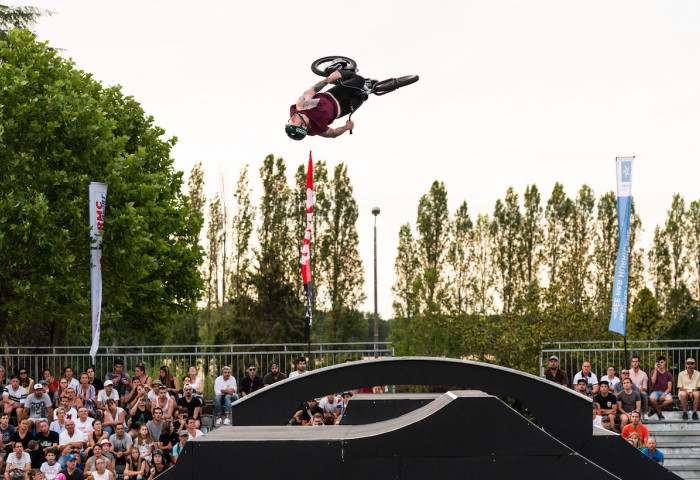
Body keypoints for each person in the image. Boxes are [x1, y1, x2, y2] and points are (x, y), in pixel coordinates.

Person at [285, 66, 368, 140]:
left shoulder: (301, 104)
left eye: (289, 121)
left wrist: (330, 78)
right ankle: (358, 83)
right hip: (342, 109)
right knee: (363, 96)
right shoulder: (316, 129)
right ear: (303, 126)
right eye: (294, 122)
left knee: (359, 81)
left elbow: (314, 89)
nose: (292, 118)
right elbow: (333, 133)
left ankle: (333, 69)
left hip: (334, 95)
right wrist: (347, 127)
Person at [648, 355, 674, 420]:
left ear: (665, 362)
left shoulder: (668, 374)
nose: (660, 364)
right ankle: (659, 413)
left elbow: (669, 388)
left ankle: (656, 409)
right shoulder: (654, 372)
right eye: (659, 362)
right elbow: (653, 381)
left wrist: (664, 394)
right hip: (655, 392)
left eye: (662, 362)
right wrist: (655, 370)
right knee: (651, 398)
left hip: (665, 392)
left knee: (670, 400)